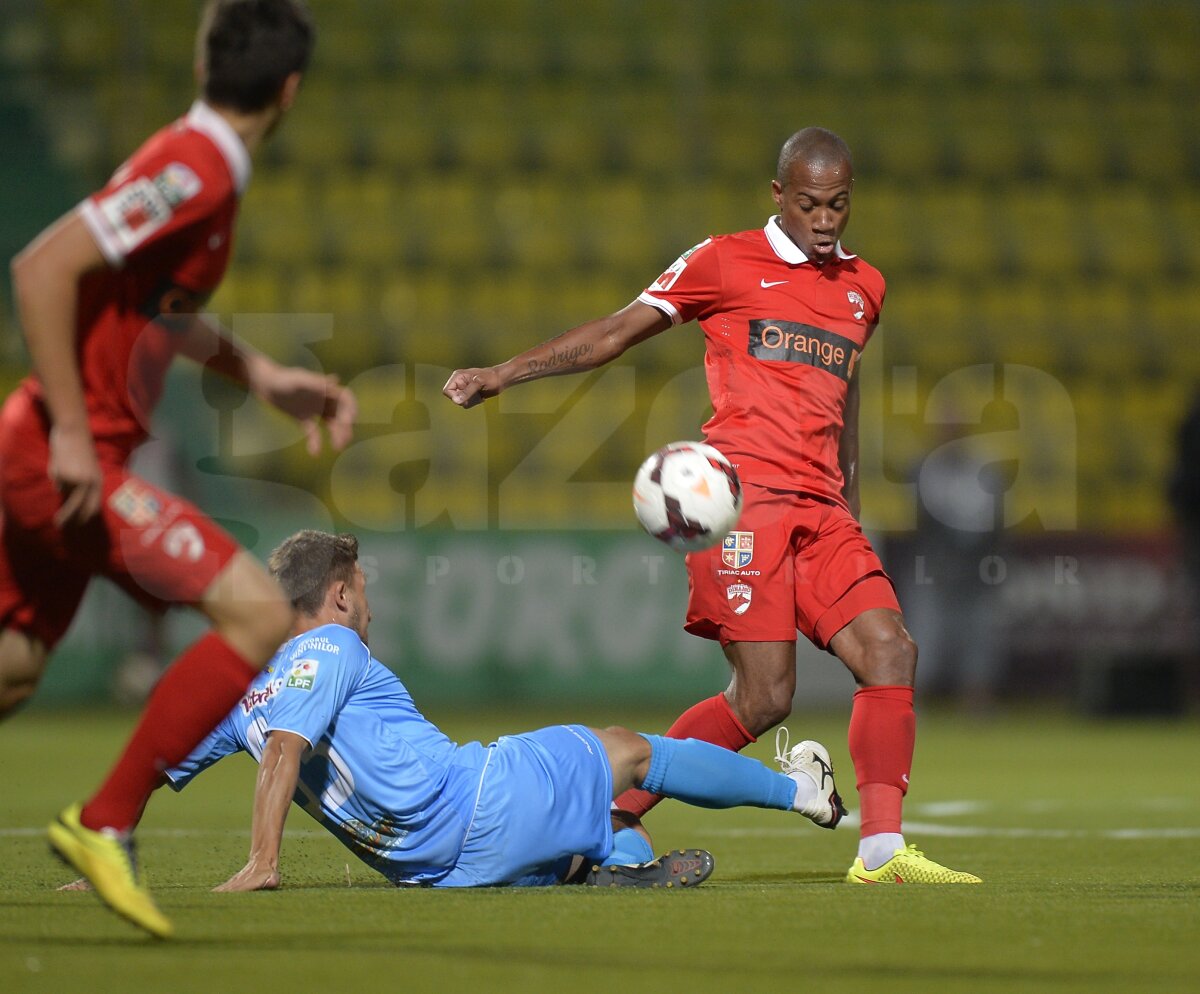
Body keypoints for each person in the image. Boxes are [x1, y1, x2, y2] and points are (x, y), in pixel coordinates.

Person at [444, 127, 980, 885]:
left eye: (838, 205)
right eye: (809, 204)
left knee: (891, 651)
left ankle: (882, 853)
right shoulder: (723, 261)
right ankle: (615, 807)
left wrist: (851, 499)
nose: (824, 220)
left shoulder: (866, 286)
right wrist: (503, 374)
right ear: (778, 195)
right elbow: (615, 332)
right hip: (745, 504)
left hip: (824, 508)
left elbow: (847, 392)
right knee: (764, 698)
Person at [3, 0, 355, 937]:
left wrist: (260, 374)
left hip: (60, 451)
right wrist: (71, 431)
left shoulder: (202, 167)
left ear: (205, 63)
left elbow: (159, 303)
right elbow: (41, 268)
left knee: (14, 669)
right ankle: (104, 825)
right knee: (259, 613)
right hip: (63, 457)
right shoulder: (195, 168)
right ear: (290, 91)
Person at [152, 529, 846, 891]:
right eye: (362, 591)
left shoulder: (247, 693)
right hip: (478, 798)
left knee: (603, 823)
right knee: (630, 751)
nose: (370, 609)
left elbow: (159, 760)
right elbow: (285, 748)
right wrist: (262, 861)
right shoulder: (330, 644)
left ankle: (610, 867)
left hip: (436, 871)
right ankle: (800, 791)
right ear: (337, 596)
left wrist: (110, 837)